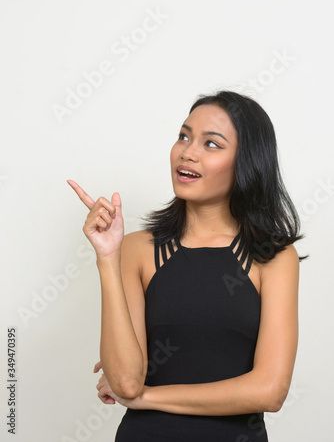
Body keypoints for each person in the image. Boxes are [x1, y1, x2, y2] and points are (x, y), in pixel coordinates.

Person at [67, 90, 305, 441]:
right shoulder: (136, 249)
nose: (187, 152)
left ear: (246, 162)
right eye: (184, 136)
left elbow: (269, 391)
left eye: (211, 144)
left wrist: (147, 397)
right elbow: (126, 380)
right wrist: (107, 256)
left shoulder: (273, 257)